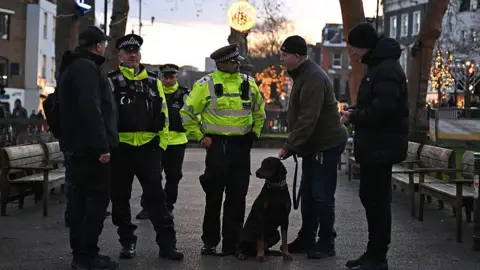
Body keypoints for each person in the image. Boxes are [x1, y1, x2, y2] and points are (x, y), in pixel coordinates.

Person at [180, 44, 266, 256]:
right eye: (233, 61)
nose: (238, 64)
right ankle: (210, 242)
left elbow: (259, 112)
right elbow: (187, 113)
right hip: (217, 147)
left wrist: (255, 133)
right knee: (214, 198)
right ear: (222, 63)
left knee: (237, 198)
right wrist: (201, 138)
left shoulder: (249, 83)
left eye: (237, 61)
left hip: (240, 147)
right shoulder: (205, 84)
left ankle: (232, 244)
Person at [107, 33, 183, 261]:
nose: (133, 55)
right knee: (120, 200)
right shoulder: (110, 81)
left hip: (149, 150)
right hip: (121, 150)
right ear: (119, 55)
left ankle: (167, 245)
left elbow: (164, 116)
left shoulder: (153, 82)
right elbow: (106, 115)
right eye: (128, 52)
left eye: (136, 52)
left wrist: (160, 146)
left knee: (157, 200)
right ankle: (127, 241)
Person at [341, 22, 409, 270]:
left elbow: (383, 110)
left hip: (382, 146)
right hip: (376, 146)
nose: (354, 53)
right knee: (371, 197)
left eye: (355, 48)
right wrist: (357, 111)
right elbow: (377, 105)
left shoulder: (386, 69)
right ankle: (373, 252)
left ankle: (378, 256)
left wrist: (354, 116)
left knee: (377, 201)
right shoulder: (378, 66)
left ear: (364, 46)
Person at [277, 35, 348, 259]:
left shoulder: (313, 78)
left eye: (285, 55)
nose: (282, 60)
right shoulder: (303, 75)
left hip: (325, 144)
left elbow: (309, 118)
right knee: (308, 194)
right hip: (315, 144)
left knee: (322, 195)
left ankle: (327, 242)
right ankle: (308, 237)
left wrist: (289, 146)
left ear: (297, 57)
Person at [57, 25, 119, 270]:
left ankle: (83, 254)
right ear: (98, 45)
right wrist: (101, 145)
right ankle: (85, 257)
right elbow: (91, 108)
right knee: (93, 203)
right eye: (103, 43)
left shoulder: (73, 65)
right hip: (89, 150)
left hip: (78, 146)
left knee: (81, 203)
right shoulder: (86, 67)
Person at [136, 64, 189, 220]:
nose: (168, 80)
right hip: (156, 140)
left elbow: (193, 114)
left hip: (177, 141)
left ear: (177, 76)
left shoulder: (184, 94)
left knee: (173, 177)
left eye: (171, 76)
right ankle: (147, 207)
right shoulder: (153, 93)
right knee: (151, 176)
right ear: (160, 77)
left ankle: (168, 207)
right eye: (165, 77)